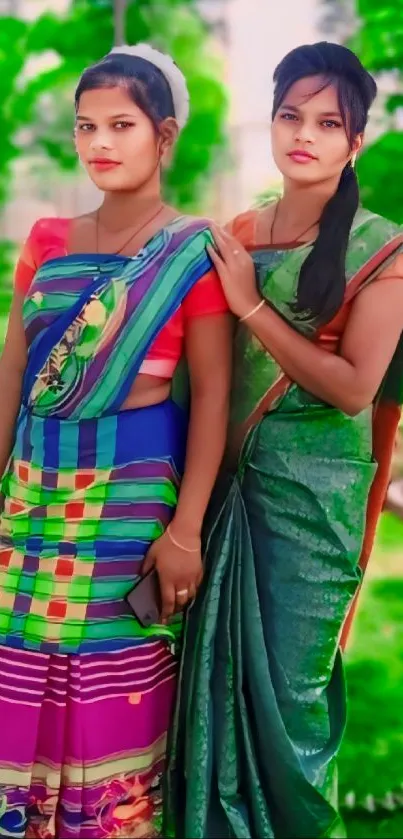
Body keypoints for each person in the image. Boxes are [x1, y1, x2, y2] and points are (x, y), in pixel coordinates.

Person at [167, 42, 403, 839]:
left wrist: (250, 306)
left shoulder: (384, 249)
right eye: (288, 115)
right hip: (229, 494)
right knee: (210, 696)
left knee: (290, 707)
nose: (304, 133)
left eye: (326, 121)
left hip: (312, 510)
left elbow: (352, 387)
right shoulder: (238, 232)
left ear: (353, 141)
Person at [0, 44, 232, 839]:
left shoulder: (191, 254)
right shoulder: (48, 239)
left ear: (163, 137)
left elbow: (212, 404)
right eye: (85, 126)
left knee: (108, 677)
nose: (99, 142)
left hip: (127, 503)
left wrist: (186, 531)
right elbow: (12, 377)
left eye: (121, 125)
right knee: (18, 664)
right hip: (31, 495)